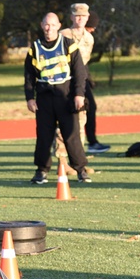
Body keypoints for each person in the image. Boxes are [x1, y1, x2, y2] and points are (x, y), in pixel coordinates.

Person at [25, 12, 92, 184]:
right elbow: (29, 76)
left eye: (53, 25)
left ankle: (80, 170)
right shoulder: (35, 48)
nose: (49, 28)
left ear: (59, 26)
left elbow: (79, 72)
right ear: (41, 25)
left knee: (71, 135)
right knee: (43, 136)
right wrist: (29, 98)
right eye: (46, 25)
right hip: (44, 98)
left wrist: (79, 94)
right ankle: (41, 171)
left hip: (66, 96)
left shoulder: (68, 44)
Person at [81, 12, 110, 153]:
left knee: (90, 108)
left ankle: (91, 141)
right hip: (73, 81)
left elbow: (84, 63)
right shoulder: (72, 37)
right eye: (91, 26)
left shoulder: (87, 38)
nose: (93, 29)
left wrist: (89, 79)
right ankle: (91, 143)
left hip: (83, 80)